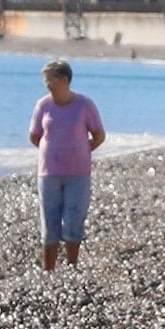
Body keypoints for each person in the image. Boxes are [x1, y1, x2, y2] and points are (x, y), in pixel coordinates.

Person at [29, 59, 106, 271]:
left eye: (51, 80)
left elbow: (99, 135)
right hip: (49, 172)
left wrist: (82, 150)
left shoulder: (84, 105)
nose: (48, 85)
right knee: (49, 221)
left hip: (78, 172)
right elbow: (35, 135)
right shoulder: (43, 105)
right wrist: (51, 150)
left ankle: (72, 266)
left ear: (64, 80)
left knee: (73, 219)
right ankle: (49, 270)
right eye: (46, 81)